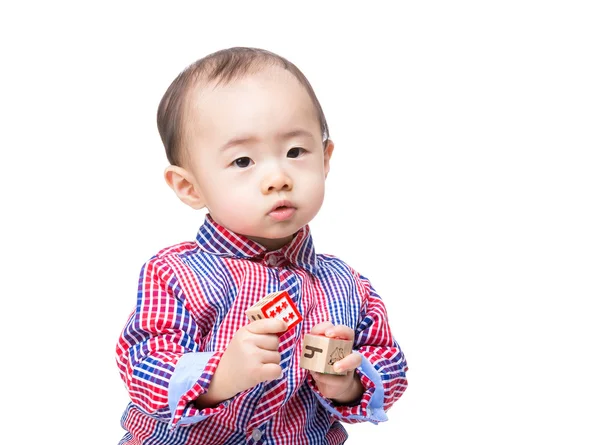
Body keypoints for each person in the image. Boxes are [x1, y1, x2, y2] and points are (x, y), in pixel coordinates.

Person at [115, 46, 408, 445]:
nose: (278, 177)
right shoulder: (174, 275)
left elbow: (390, 366)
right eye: (242, 161)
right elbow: (143, 366)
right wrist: (220, 375)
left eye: (295, 152)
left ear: (325, 159)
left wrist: (348, 381)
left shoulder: (348, 286)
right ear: (189, 186)